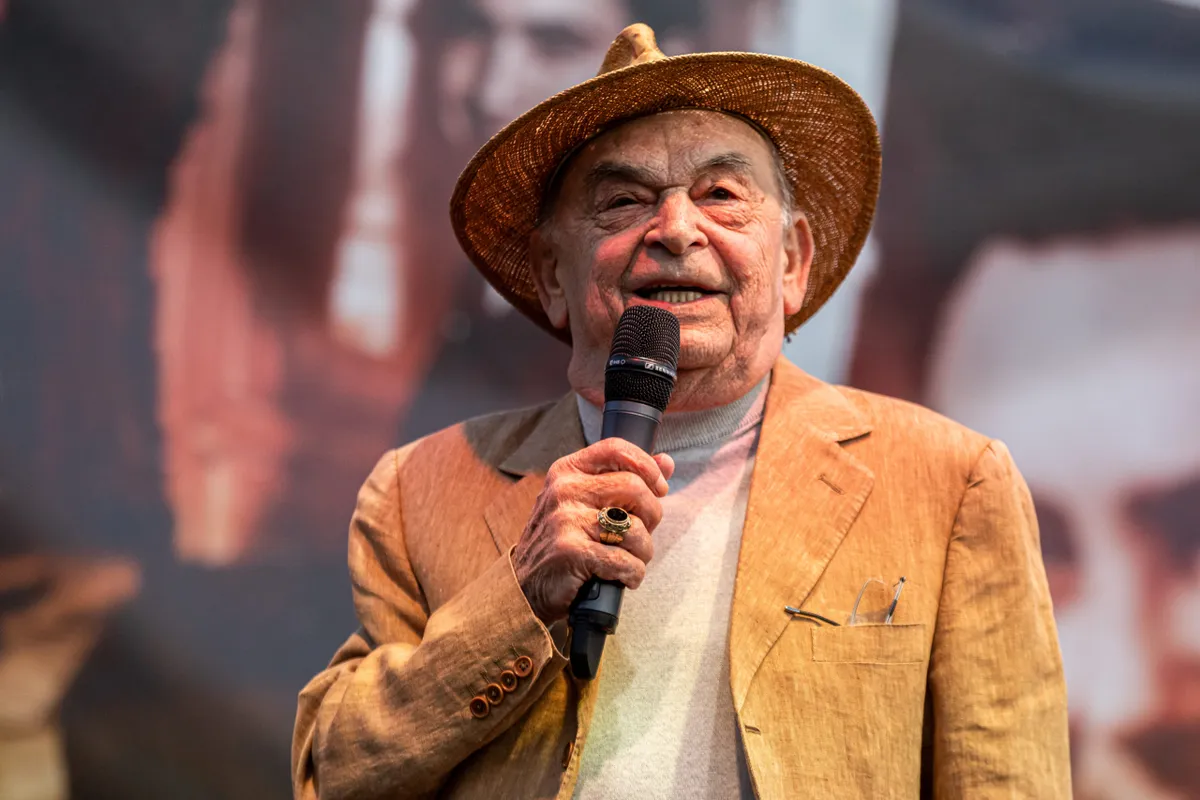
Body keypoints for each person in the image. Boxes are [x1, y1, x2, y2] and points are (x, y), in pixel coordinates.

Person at [293, 23, 1071, 799]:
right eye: (623, 201)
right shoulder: (418, 490)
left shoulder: (949, 482)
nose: (673, 230)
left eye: (721, 196)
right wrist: (518, 599)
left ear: (793, 261)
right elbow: (331, 777)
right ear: (553, 276)